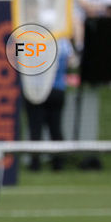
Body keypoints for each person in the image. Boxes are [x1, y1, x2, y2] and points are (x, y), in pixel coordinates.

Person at [23, 39, 72, 171]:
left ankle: (35, 164)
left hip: (35, 89)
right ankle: (58, 164)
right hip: (57, 89)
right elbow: (71, 62)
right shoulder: (63, 42)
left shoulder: (32, 41)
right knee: (56, 129)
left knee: (35, 130)